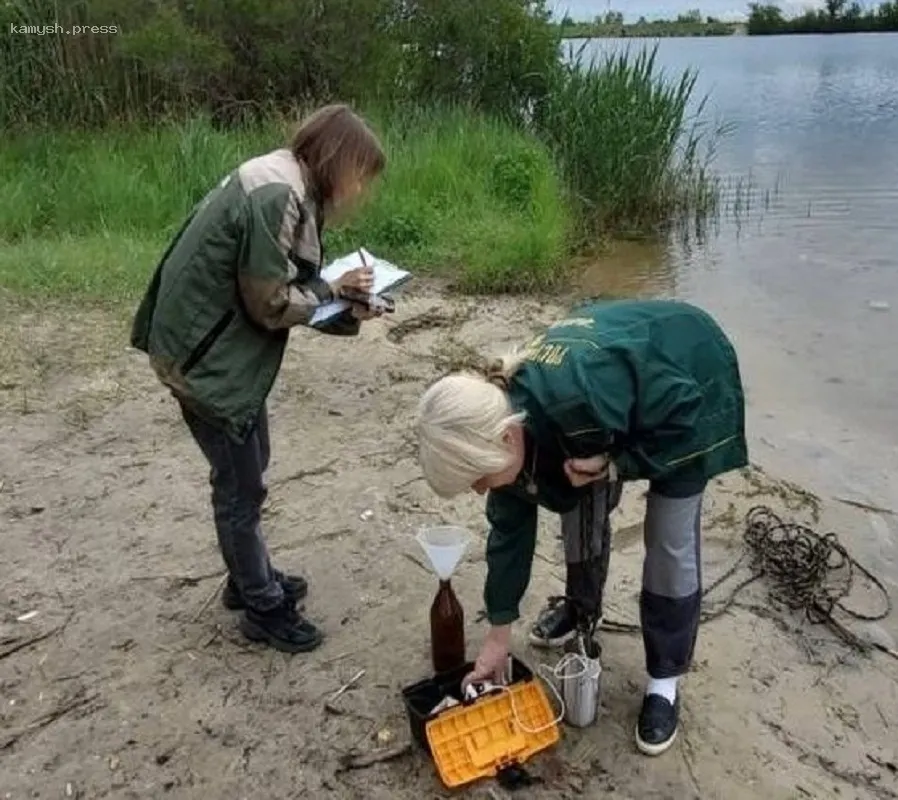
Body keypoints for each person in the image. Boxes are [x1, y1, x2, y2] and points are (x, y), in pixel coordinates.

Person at [414, 298, 748, 756]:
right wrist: (498, 635)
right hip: (607, 406)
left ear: (508, 438)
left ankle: (664, 681)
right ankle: (582, 609)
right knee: (575, 495)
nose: (477, 491)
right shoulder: (504, 423)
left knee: (668, 539)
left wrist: (618, 464)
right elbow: (509, 533)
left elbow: (685, 411)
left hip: (688, 371)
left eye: (477, 479)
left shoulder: (582, 396)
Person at [129, 104, 387, 654]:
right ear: (338, 159)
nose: (360, 188)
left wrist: (343, 301)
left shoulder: (285, 176)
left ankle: (247, 574)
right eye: (360, 174)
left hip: (210, 348)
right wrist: (334, 290)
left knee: (249, 463)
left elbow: (286, 284)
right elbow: (270, 303)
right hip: (205, 359)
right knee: (241, 484)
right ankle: (261, 606)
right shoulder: (279, 193)